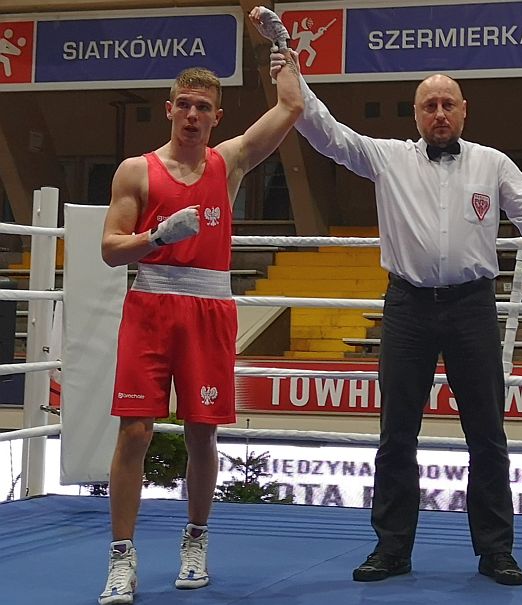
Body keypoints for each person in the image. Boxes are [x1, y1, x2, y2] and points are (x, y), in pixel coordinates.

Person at [265, 52, 522, 587]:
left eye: (447, 104)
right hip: (408, 307)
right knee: (396, 434)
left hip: (472, 306)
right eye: (429, 106)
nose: (439, 113)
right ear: (415, 115)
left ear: (464, 111)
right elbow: (324, 131)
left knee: (487, 435)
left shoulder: (491, 163)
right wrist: (288, 71)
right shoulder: (387, 158)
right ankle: (391, 548)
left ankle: (495, 552)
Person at [97, 23, 303, 605]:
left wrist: (280, 49)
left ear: (216, 117)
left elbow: (290, 106)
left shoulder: (228, 163)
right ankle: (121, 557)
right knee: (135, 429)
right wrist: (155, 236)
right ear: (169, 109)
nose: (192, 115)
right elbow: (110, 249)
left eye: (203, 108)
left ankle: (196, 541)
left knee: (201, 431)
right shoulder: (136, 171)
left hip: (209, 304)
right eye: (184, 105)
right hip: (151, 301)